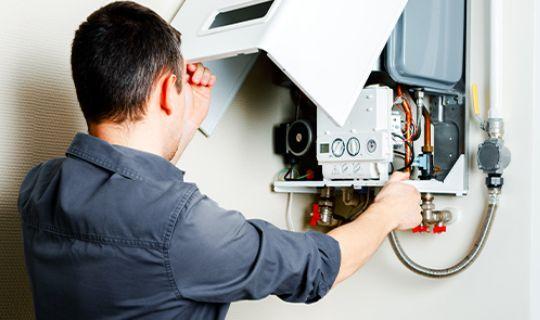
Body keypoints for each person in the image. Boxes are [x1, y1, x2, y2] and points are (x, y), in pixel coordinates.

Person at [18, 2, 422, 319]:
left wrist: (185, 122)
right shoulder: (184, 228)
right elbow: (319, 268)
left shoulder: (40, 187)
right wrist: (388, 211)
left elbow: (133, 201)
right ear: (164, 91)